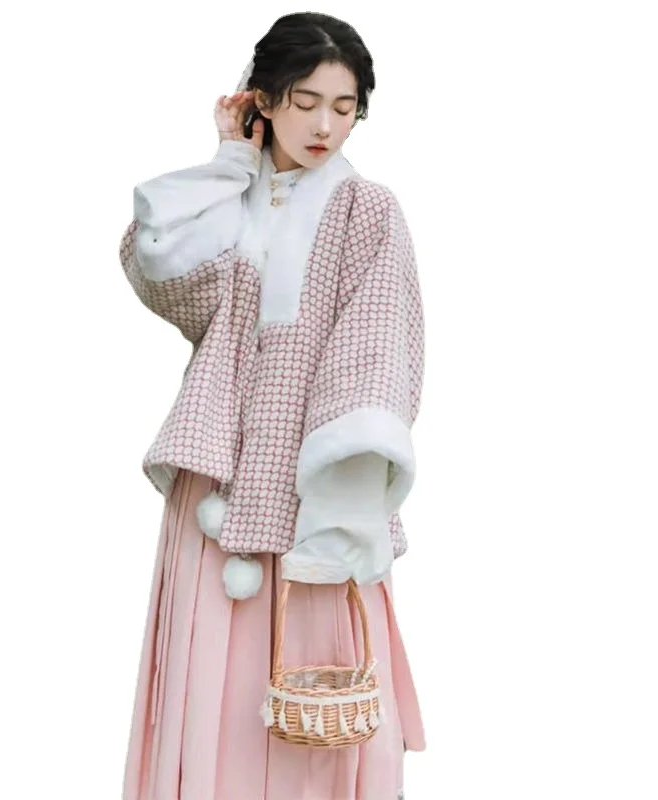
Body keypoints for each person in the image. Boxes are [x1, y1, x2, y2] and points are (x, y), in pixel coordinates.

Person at [118, 12, 425, 800]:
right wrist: (229, 159)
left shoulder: (366, 210)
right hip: (215, 482)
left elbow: (376, 352)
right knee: (209, 689)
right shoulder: (238, 199)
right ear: (263, 99)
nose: (325, 126)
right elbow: (166, 274)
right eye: (304, 101)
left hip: (316, 493)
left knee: (312, 680)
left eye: (345, 107)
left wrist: (336, 505)